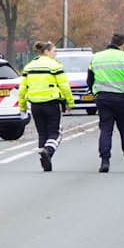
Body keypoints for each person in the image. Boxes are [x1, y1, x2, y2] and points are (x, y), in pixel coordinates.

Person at [89, 32, 124, 173]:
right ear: (122, 44)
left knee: (106, 130)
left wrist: (94, 93)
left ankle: (104, 161)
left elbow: (89, 80)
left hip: (102, 98)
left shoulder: (96, 57)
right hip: (121, 98)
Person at [16, 41, 75, 172]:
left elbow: (22, 89)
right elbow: (64, 86)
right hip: (51, 102)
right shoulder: (55, 66)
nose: (55, 54)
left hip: (35, 104)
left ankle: (45, 162)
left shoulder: (29, 67)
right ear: (47, 51)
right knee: (55, 133)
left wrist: (22, 106)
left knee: (42, 133)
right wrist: (70, 102)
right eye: (54, 51)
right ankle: (47, 151)